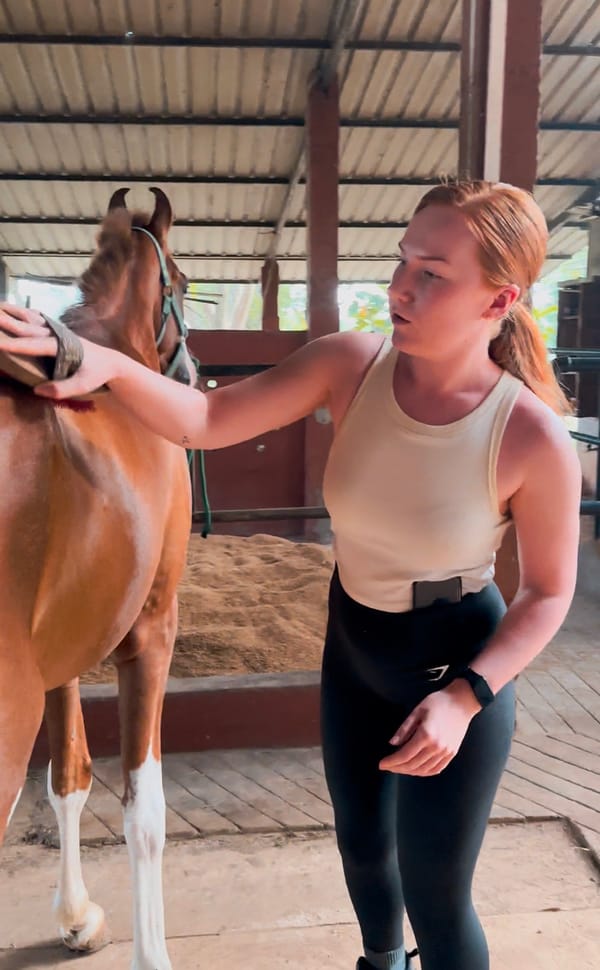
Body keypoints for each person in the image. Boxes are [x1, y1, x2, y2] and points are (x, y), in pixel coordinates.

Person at [0, 179, 581, 970]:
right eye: (402, 259)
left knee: (437, 892)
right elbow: (205, 420)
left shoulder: (531, 436)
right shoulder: (352, 363)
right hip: (354, 647)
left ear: (499, 299)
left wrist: (464, 699)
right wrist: (96, 360)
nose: (399, 286)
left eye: (432, 273)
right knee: (364, 856)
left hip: (457, 662)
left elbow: (548, 593)